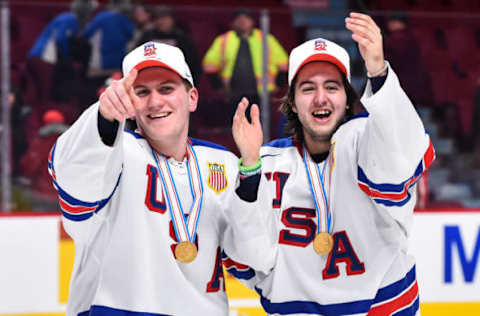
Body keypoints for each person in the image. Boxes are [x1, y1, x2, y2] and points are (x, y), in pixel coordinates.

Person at [49, 41, 275, 315]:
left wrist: (250, 171)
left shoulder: (222, 164)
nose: (155, 102)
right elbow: (74, 184)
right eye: (141, 92)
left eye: (166, 89)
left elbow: (254, 258)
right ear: (129, 105)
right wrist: (104, 117)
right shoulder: (113, 151)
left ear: (192, 97)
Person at [232, 12, 435, 315]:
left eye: (331, 87)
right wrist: (249, 170)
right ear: (291, 102)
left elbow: (398, 155)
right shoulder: (268, 164)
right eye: (307, 88)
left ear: (348, 98)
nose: (320, 98)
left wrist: (378, 72)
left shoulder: (366, 141)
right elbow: (249, 260)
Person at [203, 8, 288, 122]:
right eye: (239, 18)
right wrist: (218, 86)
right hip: (233, 93)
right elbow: (209, 64)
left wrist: (279, 85)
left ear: (252, 21)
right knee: (236, 124)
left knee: (259, 124)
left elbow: (283, 63)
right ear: (233, 22)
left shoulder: (265, 39)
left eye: (246, 18)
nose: (242, 21)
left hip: (260, 94)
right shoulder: (224, 39)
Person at [136, 6, 202, 83]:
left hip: (176, 80)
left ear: (172, 20)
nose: (161, 22)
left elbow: (193, 63)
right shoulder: (147, 37)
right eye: (157, 19)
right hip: (151, 79)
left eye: (164, 18)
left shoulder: (181, 37)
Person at [20, 110, 69, 212]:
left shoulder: (40, 143)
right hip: (66, 194)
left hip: (42, 194)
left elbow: (29, 167)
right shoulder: (70, 143)